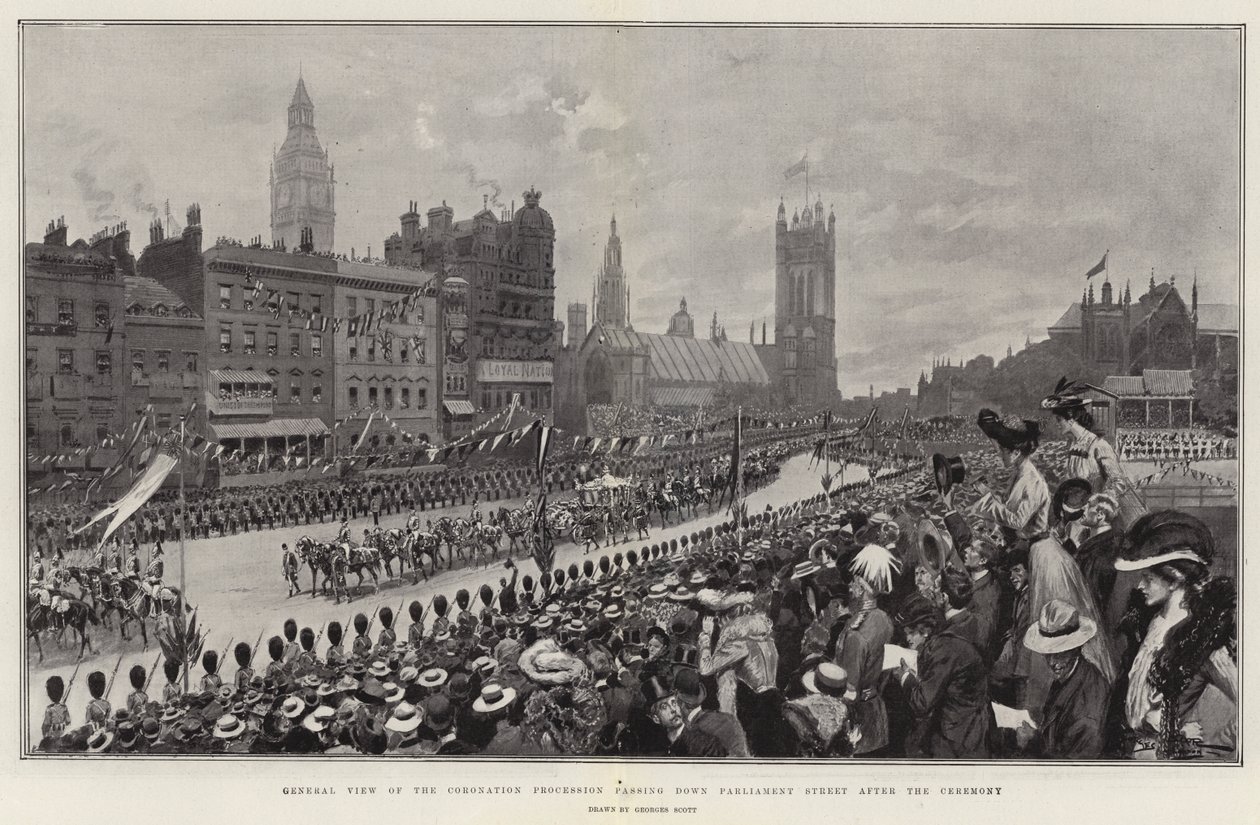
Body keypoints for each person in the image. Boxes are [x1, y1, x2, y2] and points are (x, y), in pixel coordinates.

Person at [971, 408, 1115, 717]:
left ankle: (1043, 703)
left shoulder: (1032, 478)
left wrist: (986, 500)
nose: (998, 453)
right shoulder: (1022, 474)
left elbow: (1018, 518)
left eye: (1002, 448)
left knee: (1049, 624)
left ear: (1017, 449)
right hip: (1037, 553)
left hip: (1046, 555)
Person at [1114, 511, 1236, 760]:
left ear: (1174, 579)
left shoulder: (1203, 636)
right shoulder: (1151, 623)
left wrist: (1203, 746)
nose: (1140, 586)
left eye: (1148, 578)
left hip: (1171, 764)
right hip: (1136, 754)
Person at [894, 594, 992, 759]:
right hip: (957, 724)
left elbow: (922, 703)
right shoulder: (940, 644)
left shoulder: (944, 649)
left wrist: (905, 677)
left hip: (961, 733)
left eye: (911, 632)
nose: (907, 638)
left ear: (925, 631)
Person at [1010, 599, 1109, 759]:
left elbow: (1070, 767)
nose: (1052, 662)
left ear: (1076, 648)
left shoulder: (1087, 709)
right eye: (1048, 654)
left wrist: (1032, 741)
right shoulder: (1072, 674)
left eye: (1061, 652)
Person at [1042, 379, 1147, 526]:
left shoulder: (1099, 446)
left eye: (1059, 420)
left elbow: (1119, 481)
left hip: (1095, 516)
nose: (1057, 424)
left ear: (1071, 418)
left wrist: (1101, 499)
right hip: (1073, 514)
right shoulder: (1073, 445)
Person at [640, 676, 727, 757]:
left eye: (674, 702)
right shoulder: (653, 748)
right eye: (664, 707)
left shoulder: (707, 744)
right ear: (656, 719)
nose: (673, 709)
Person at [42, 675, 71, 741]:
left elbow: (45, 726)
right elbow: (68, 722)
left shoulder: (49, 709)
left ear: (49, 694)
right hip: (63, 735)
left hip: (52, 738)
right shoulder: (64, 707)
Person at [142, 543, 164, 618]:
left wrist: (150, 579)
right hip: (149, 583)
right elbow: (147, 572)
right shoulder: (151, 562)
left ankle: (159, 611)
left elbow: (159, 575)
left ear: (157, 553)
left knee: (154, 595)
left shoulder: (159, 562)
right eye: (152, 552)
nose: (152, 554)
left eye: (154, 552)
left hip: (156, 583)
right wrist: (146, 577)